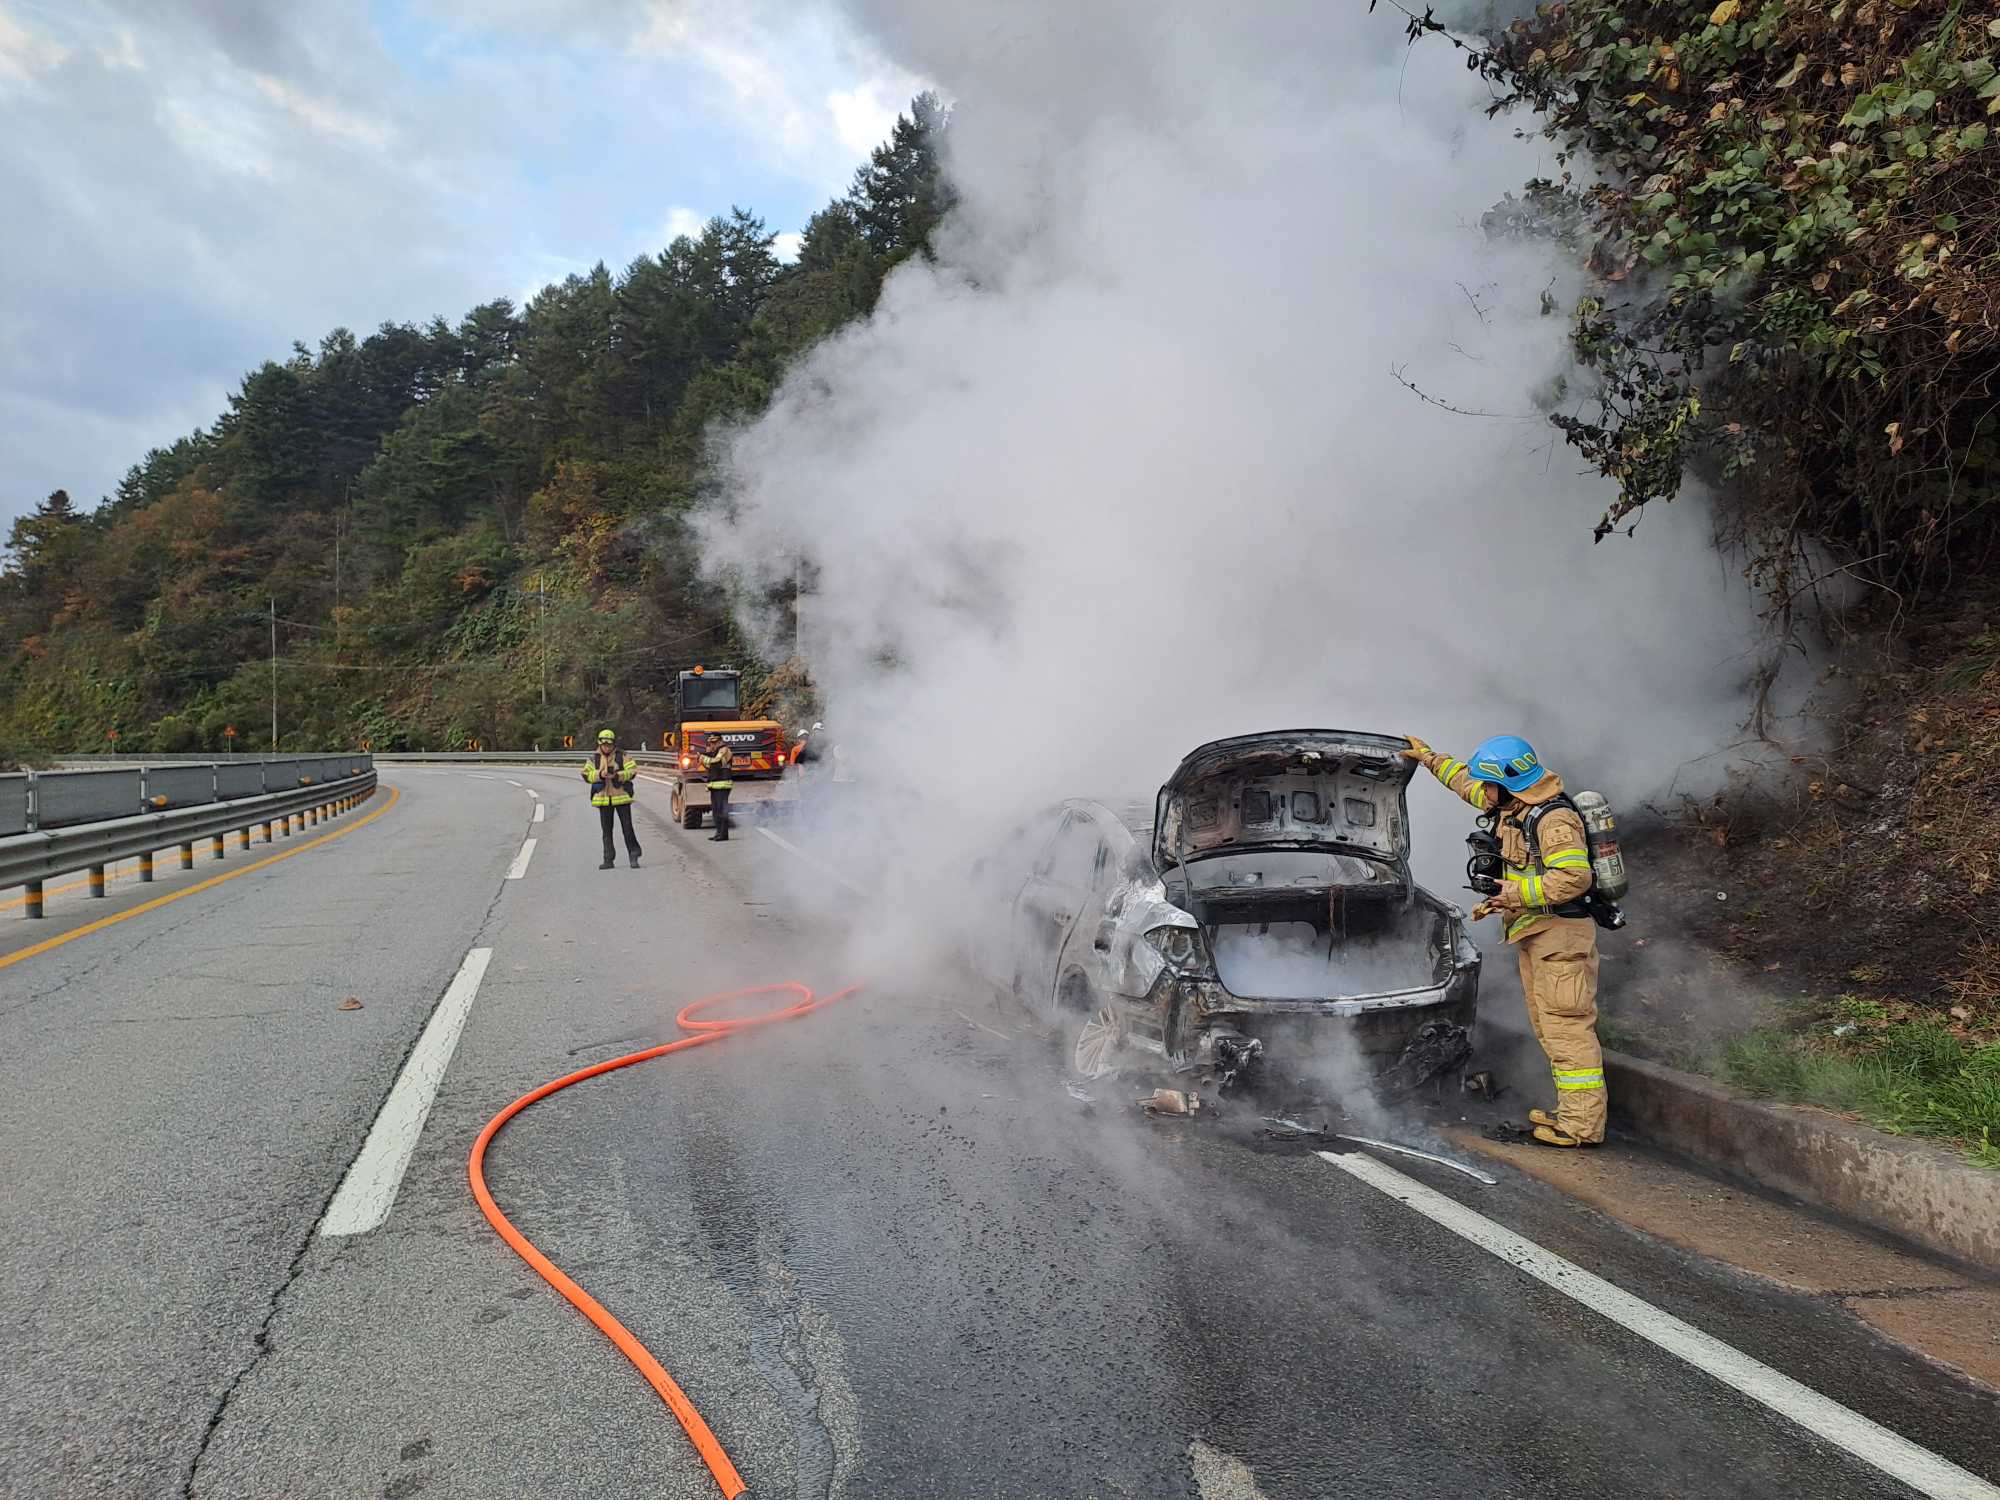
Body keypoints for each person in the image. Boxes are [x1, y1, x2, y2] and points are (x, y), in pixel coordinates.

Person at [1402, 733, 1605, 1147]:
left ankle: (1582, 1126)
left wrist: (1511, 894)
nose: (1484, 792)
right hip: (1538, 934)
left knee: (1566, 1029)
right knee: (1549, 1027)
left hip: (1561, 937)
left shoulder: (1553, 821)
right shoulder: (1515, 806)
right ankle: (1572, 1112)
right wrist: (1429, 758)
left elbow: (1573, 878)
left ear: (1507, 784)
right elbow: (1467, 784)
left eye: (1489, 784)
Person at [583, 728, 642, 870]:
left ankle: (634, 855)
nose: (607, 747)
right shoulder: (593, 758)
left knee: (627, 828)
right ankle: (608, 859)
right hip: (603, 800)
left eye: (609, 745)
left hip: (621, 797)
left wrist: (618, 775)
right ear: (600, 744)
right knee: (606, 832)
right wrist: (600, 774)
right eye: (604, 745)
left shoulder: (622, 756)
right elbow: (586, 774)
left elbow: (632, 771)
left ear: (614, 744)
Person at [700, 739, 734, 841]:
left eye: (713, 743)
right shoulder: (716, 752)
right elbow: (710, 767)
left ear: (720, 742)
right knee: (716, 811)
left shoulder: (724, 750)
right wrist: (702, 759)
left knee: (721, 811)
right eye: (710, 743)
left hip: (723, 785)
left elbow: (716, 763)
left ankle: (723, 834)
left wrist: (703, 757)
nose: (711, 745)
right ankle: (718, 833)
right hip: (715, 785)